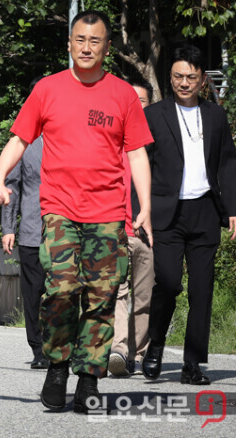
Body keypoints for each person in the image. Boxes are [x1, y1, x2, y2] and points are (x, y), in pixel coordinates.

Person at [0, 10, 153, 414]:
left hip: (109, 212)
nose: (87, 47)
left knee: (101, 296)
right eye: (80, 39)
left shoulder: (123, 95)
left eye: (95, 41)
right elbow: (19, 140)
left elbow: (137, 153)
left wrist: (145, 206)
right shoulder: (48, 89)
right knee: (60, 290)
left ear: (107, 47)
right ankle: (57, 366)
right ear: (70, 44)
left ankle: (89, 377)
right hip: (59, 210)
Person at [142, 45, 236, 385]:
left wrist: (233, 209)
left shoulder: (215, 115)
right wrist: (141, 210)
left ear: (202, 81)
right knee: (167, 282)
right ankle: (155, 345)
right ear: (171, 77)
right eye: (179, 76)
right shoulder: (153, 115)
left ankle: (193, 363)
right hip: (166, 212)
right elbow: (141, 165)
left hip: (205, 212)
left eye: (191, 77)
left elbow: (227, 162)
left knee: (202, 290)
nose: (184, 83)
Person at [108, 77, 154, 377]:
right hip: (115, 227)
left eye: (142, 101)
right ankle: (119, 350)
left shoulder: (156, 145)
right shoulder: (110, 141)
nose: (136, 105)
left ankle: (139, 353)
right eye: (131, 101)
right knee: (118, 292)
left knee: (144, 295)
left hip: (147, 230)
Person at [1, 135, 46, 370]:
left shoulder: (71, 137)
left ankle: (62, 345)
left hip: (69, 232)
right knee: (34, 293)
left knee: (64, 294)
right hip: (32, 230)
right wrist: (8, 228)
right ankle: (38, 348)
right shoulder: (25, 142)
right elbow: (12, 187)